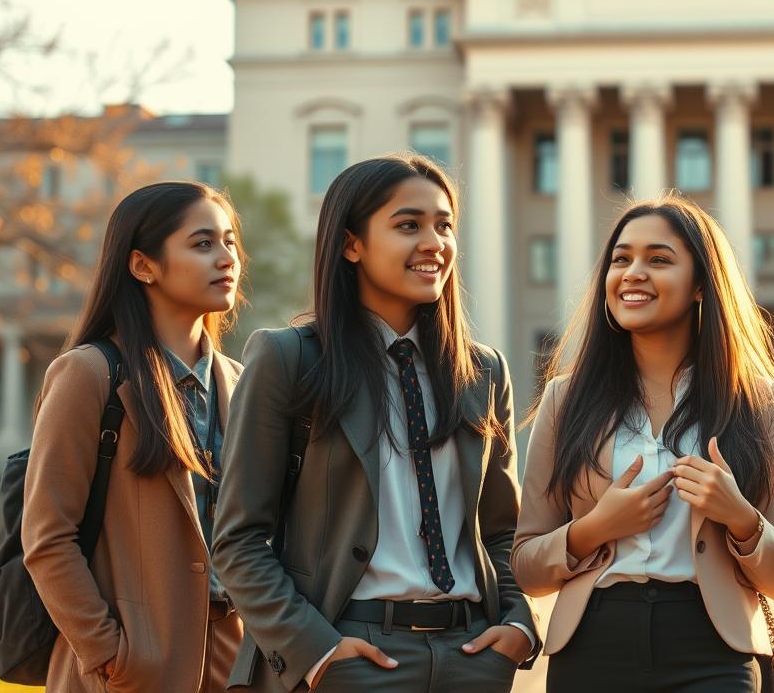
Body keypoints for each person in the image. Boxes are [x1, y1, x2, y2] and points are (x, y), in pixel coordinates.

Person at [212, 155, 538, 692]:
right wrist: (317, 651)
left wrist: (519, 622)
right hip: (352, 655)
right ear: (351, 245)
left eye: (444, 224)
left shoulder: (483, 371)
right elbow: (239, 540)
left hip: (474, 655)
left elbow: (500, 530)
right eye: (408, 225)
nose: (434, 242)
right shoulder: (289, 359)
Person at [513, 195, 774, 692]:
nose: (632, 272)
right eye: (620, 259)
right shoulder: (566, 399)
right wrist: (595, 528)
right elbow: (526, 566)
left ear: (700, 285)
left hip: (713, 651)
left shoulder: (758, 400)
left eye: (658, 259)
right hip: (592, 647)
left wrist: (740, 518)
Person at [22, 181, 246, 691]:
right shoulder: (89, 374)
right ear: (143, 265)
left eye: (230, 241)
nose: (226, 257)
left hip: (234, 668)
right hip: (129, 672)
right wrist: (108, 651)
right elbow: (46, 537)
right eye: (202, 243)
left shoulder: (243, 381)